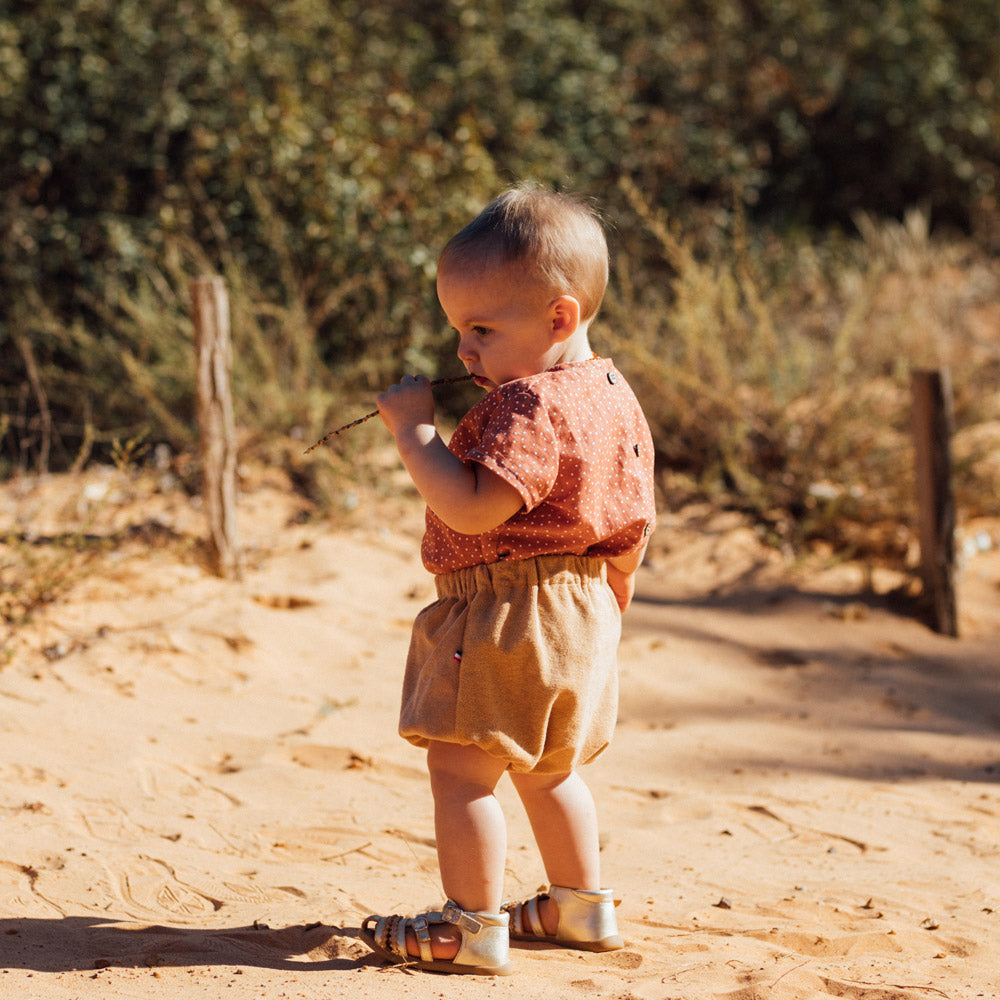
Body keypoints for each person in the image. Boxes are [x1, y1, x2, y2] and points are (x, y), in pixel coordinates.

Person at [359, 184, 656, 976]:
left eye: (481, 329)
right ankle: (579, 906)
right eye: (459, 329)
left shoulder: (528, 404)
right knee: (548, 764)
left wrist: (415, 434)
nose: (464, 352)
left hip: (508, 609)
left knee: (462, 766)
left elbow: (474, 509)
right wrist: (612, 597)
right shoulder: (615, 396)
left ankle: (470, 925)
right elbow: (638, 514)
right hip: (584, 607)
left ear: (559, 317)